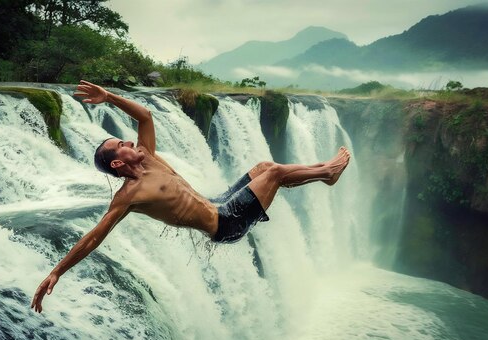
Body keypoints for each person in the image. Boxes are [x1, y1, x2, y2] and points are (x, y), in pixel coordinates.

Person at [31, 80, 350, 313]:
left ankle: (323, 169)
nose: (131, 142)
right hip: (226, 224)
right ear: (118, 163)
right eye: (122, 145)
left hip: (217, 202)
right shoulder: (129, 196)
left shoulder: (147, 156)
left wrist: (109, 96)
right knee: (275, 174)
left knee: (265, 168)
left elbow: (144, 116)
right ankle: (326, 172)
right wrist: (57, 270)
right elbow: (93, 237)